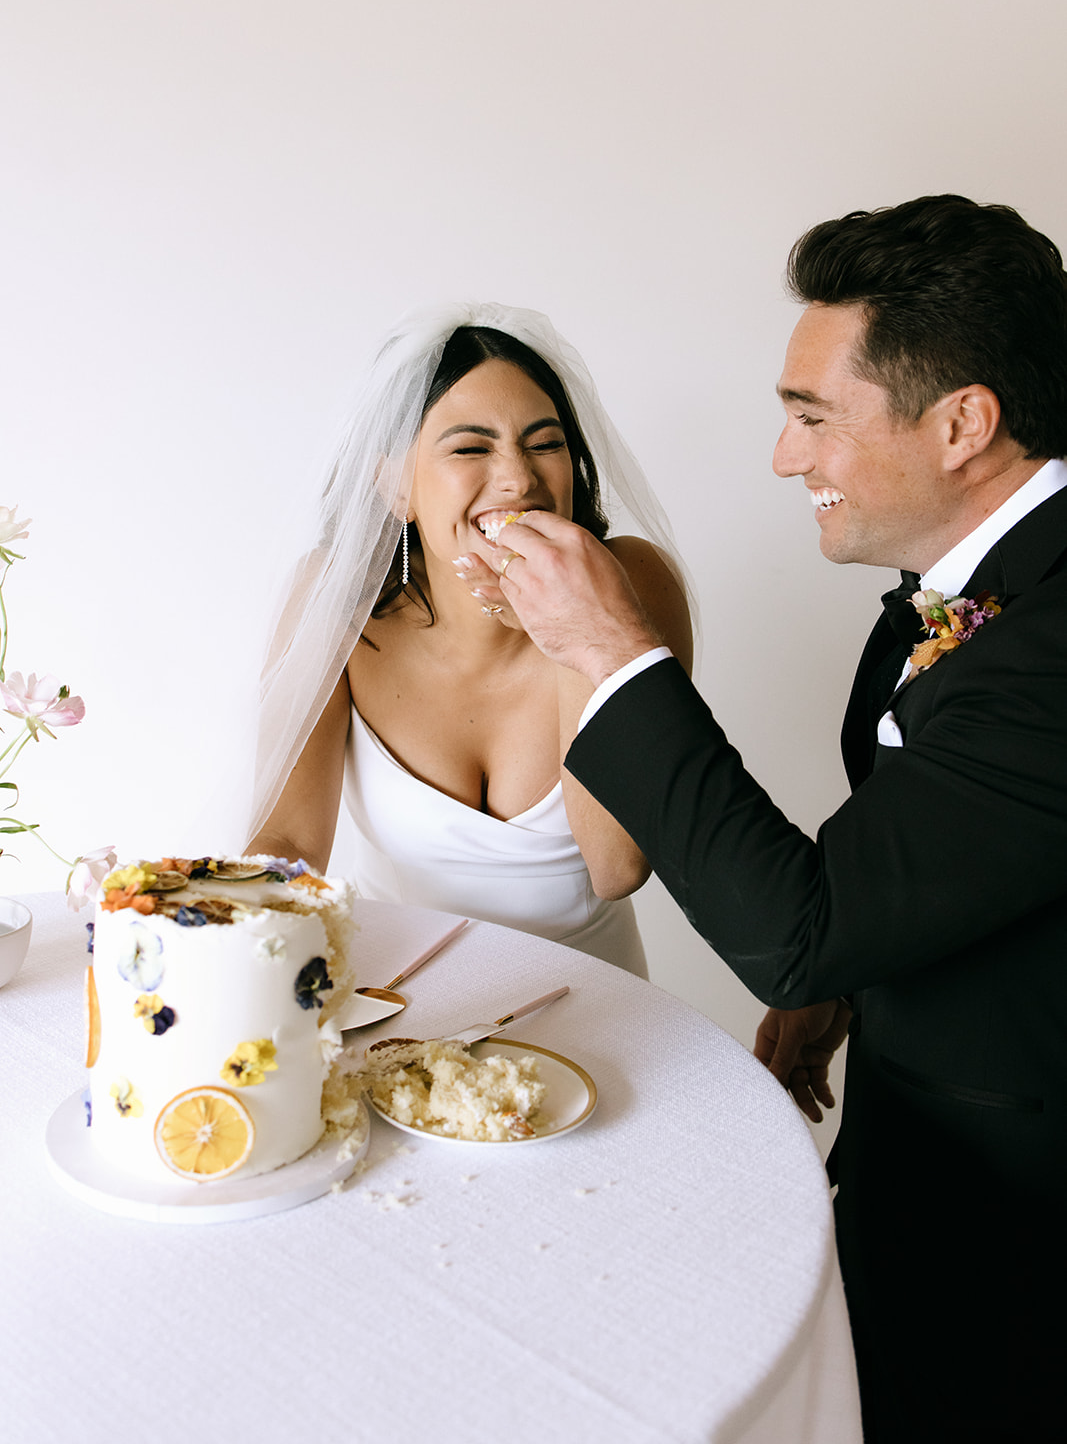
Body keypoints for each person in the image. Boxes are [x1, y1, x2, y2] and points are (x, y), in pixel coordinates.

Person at [456, 198, 1067, 1441]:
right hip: (913, 1167)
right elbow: (934, 845)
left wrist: (613, 651)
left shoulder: (1052, 644)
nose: (786, 459)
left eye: (809, 417)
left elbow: (796, 927)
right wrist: (838, 996)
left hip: (1022, 1233)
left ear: (961, 422)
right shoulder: (958, 591)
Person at [247, 302, 694, 974]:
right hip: (391, 997)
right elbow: (288, 839)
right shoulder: (337, 601)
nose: (518, 478)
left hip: (597, 1004)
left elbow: (616, 862)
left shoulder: (632, 581)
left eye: (544, 443)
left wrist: (571, 627)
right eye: (470, 447)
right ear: (396, 484)